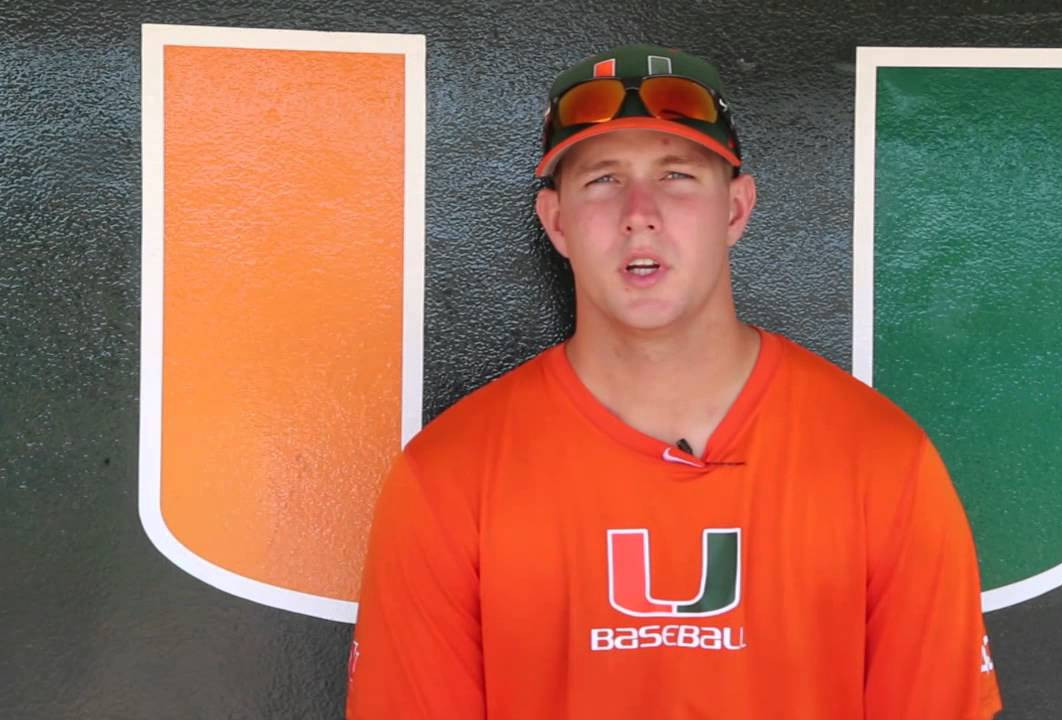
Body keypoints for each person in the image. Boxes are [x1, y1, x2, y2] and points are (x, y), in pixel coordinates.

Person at [346, 44, 1002, 719]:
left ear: (736, 209)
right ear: (557, 221)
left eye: (677, 175)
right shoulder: (447, 480)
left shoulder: (885, 464)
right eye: (602, 179)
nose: (639, 211)